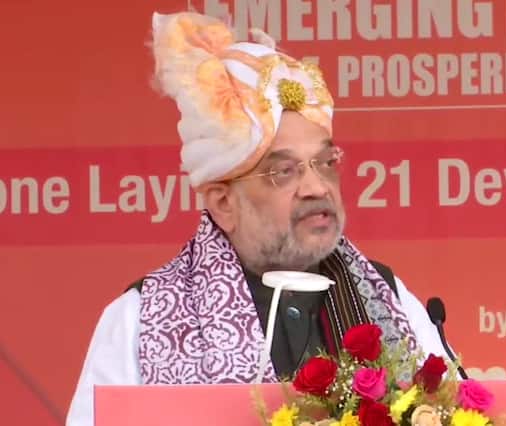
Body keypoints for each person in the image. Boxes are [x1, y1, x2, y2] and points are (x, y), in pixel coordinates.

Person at [66, 10, 452, 426]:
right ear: (223, 203)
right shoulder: (141, 319)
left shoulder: (389, 298)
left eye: (325, 162)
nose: (316, 187)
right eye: (283, 171)